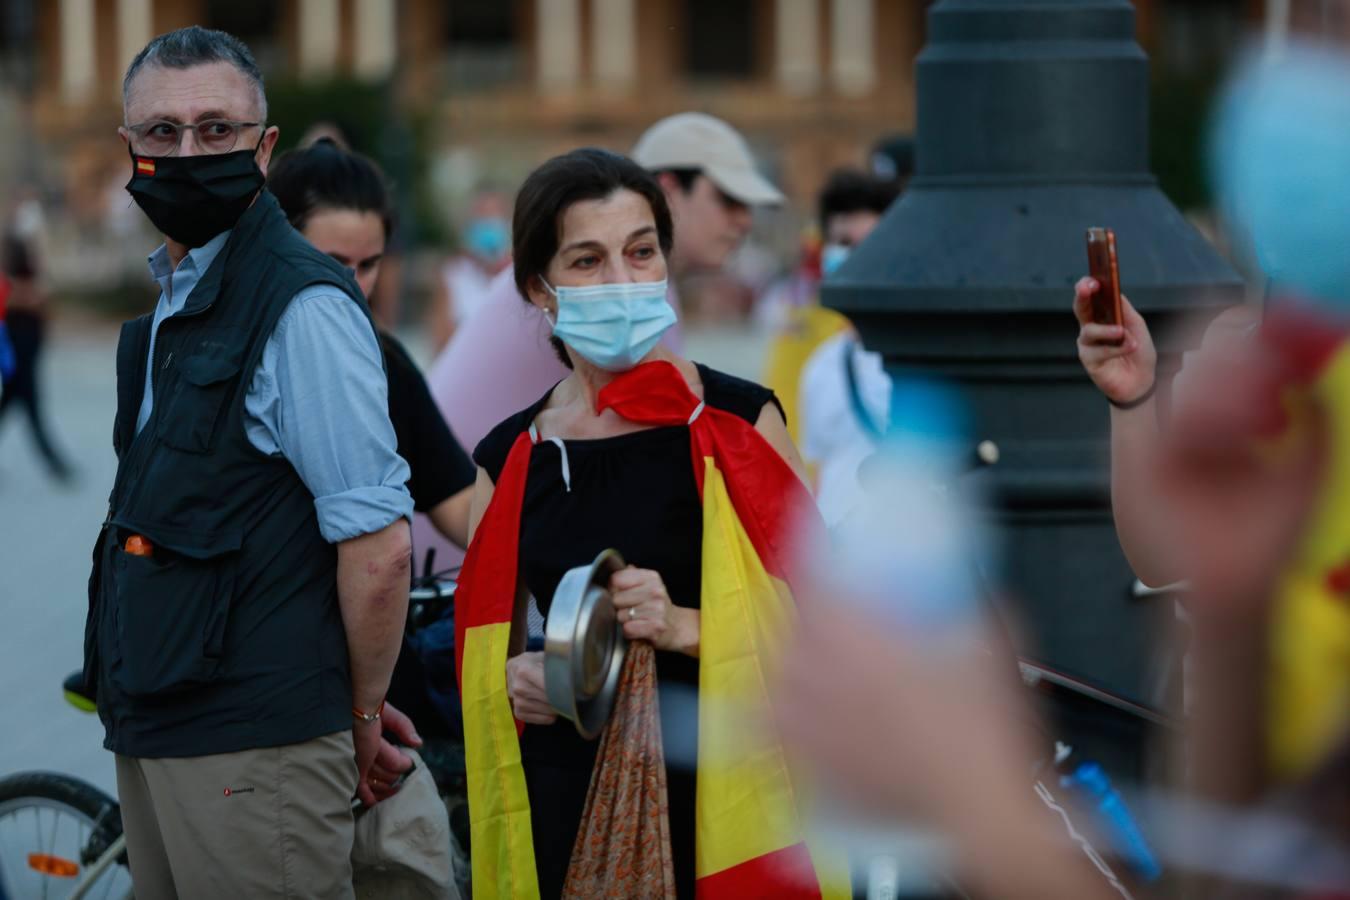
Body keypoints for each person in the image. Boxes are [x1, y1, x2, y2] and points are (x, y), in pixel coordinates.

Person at [85, 27, 413, 899]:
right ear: (130, 147)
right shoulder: (178, 297)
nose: (188, 151)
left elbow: (378, 545)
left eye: (215, 129)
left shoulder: (301, 305)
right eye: (162, 133)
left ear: (265, 150)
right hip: (161, 725)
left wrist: (360, 714)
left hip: (253, 746)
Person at [456, 148, 833, 898]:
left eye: (640, 252)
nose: (623, 281)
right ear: (541, 288)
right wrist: (518, 678)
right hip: (565, 791)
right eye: (588, 261)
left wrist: (686, 627)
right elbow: (488, 644)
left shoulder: (735, 424)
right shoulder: (513, 456)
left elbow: (832, 625)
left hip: (724, 794)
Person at [416, 112, 785, 570]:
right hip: (470, 554)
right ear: (669, 191)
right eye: (728, 199)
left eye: (643, 253)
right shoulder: (630, 299)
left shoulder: (599, 281)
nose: (744, 220)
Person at [267, 138, 476, 549]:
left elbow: (459, 502)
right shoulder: (236, 355)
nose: (353, 284)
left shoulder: (388, 363)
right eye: (332, 261)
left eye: (368, 265)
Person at [792, 169, 904, 523]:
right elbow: (821, 473)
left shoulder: (935, 355)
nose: (853, 256)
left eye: (868, 243)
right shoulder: (821, 364)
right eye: (842, 243)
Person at [0, 231, 74, 481]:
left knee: (21, 408)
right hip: (18, 361)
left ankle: (57, 465)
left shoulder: (28, 281)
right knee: (33, 412)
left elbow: (44, 303)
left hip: (25, 359)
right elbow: (24, 300)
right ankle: (57, 466)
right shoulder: (11, 285)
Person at [427, 188, 512, 353]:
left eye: (494, 215)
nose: (488, 223)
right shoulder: (452, 275)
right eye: (482, 215)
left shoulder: (518, 275)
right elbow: (440, 340)